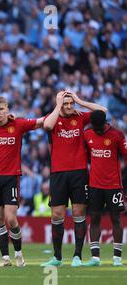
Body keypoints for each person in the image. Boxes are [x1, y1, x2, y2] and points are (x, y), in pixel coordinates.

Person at [41, 91, 107, 267]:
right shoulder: (53, 118)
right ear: (59, 104)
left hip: (79, 173)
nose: (69, 106)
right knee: (56, 215)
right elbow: (47, 126)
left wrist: (80, 101)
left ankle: (77, 256)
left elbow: (103, 111)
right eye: (66, 103)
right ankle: (57, 257)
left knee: (78, 213)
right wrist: (57, 105)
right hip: (58, 174)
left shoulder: (80, 117)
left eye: (71, 103)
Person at [0, 97, 44, 267]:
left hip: (11, 178)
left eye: (1, 109)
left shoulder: (18, 124)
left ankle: (19, 254)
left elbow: (41, 122)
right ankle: (5, 258)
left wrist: (59, 106)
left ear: (7, 109)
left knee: (11, 219)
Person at [83, 110, 126, 267]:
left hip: (114, 185)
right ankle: (95, 258)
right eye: (95, 127)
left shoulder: (117, 135)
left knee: (116, 219)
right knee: (94, 218)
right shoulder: (87, 134)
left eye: (99, 127)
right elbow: (86, 155)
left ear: (105, 123)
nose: (97, 130)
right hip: (94, 185)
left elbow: (126, 155)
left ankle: (117, 258)